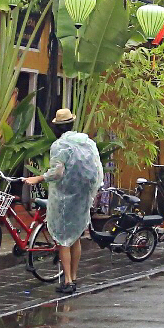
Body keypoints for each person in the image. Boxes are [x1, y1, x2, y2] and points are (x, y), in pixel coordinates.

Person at [24, 107, 103, 294]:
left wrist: (38, 178)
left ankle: (67, 281)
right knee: (75, 238)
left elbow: (57, 172)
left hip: (64, 197)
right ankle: (74, 277)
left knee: (63, 239)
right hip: (82, 196)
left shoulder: (59, 146)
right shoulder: (86, 142)